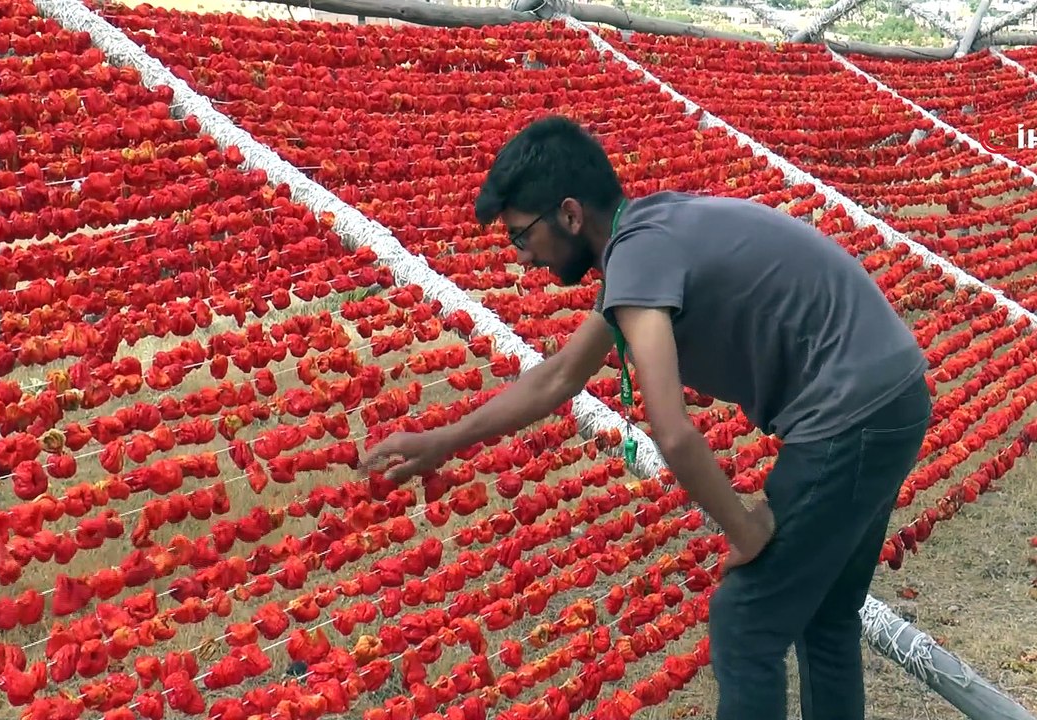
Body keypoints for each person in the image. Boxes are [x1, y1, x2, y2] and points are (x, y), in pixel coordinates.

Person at [365, 115, 932, 720]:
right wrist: (442, 441)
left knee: (745, 622)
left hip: (849, 412)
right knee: (825, 616)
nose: (525, 259)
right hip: (890, 391)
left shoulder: (636, 260)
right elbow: (559, 377)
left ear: (570, 214)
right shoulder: (649, 232)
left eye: (522, 237)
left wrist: (745, 531)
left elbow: (673, 431)